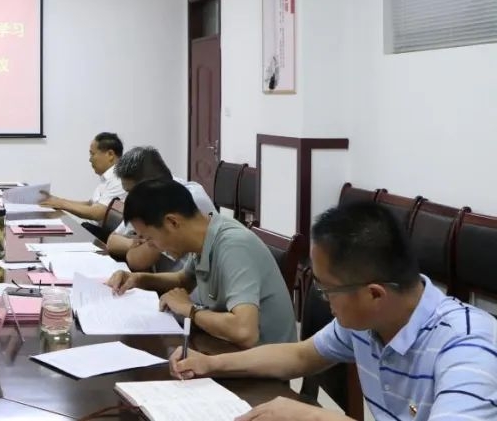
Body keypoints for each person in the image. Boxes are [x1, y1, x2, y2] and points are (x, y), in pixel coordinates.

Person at [169, 202, 497, 421]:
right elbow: (300, 356)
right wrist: (210, 364)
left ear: (374, 294)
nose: (324, 299)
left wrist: (311, 415)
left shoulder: (468, 347)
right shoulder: (368, 322)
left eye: (327, 290)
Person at [106, 179, 296, 348]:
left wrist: (190, 310)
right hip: (226, 349)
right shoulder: (205, 232)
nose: (151, 246)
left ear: (172, 222)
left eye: (149, 238)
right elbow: (183, 280)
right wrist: (138, 279)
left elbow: (244, 332)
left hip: (263, 365)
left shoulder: (233, 246)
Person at [107, 146, 216, 271]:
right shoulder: (150, 202)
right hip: (172, 279)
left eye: (132, 193)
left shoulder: (187, 198)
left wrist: (138, 244)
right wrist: (134, 243)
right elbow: (112, 241)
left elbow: (138, 260)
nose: (129, 199)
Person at [40, 132, 125, 222]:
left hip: (98, 230)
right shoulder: (107, 178)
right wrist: (56, 200)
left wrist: (61, 204)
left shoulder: (118, 180)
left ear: (110, 154)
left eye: (92, 154)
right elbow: (90, 205)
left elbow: (97, 213)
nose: (90, 159)